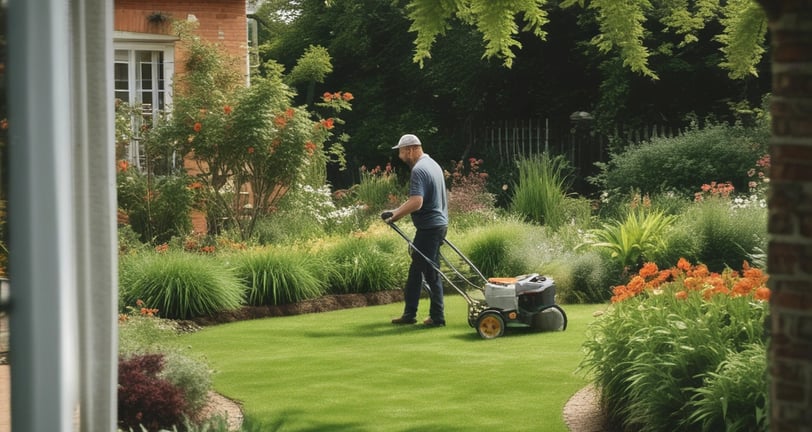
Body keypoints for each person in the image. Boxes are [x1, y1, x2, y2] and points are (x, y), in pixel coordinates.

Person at [382, 134, 449, 327]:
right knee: (425, 270)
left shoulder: (419, 170)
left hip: (429, 227)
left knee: (424, 273)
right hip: (438, 224)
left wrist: (395, 216)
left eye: (402, 152)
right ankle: (422, 314)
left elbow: (417, 202)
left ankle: (428, 316)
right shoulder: (433, 165)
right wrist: (394, 211)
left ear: (411, 149)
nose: (401, 157)